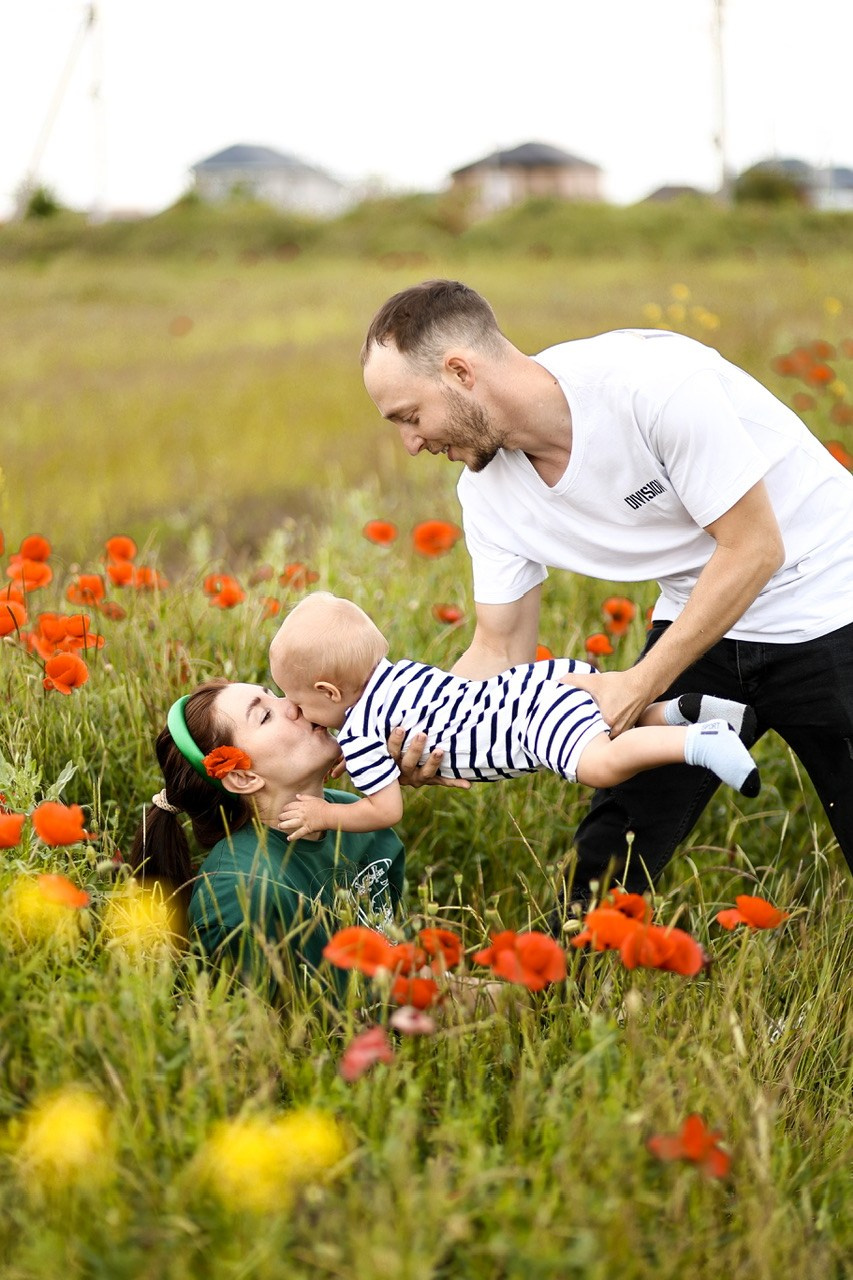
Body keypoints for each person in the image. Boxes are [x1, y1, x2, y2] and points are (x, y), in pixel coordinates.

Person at [359, 279, 853, 901]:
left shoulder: (652, 384)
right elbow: (500, 648)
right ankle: (562, 986)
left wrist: (636, 685)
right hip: (703, 612)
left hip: (832, 598)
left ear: (460, 372)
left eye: (410, 416)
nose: (411, 443)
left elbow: (754, 548)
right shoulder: (487, 493)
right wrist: (428, 733)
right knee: (613, 844)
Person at [269, 593, 759, 842]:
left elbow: (385, 810)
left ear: (330, 691)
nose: (297, 713)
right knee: (607, 725)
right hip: (534, 687)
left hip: (525, 723)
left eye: (299, 703)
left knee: (600, 763)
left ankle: (699, 741)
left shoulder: (359, 734)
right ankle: (674, 712)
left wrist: (326, 814)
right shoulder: (396, 677)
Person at [130, 677, 417, 984]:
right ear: (242, 777)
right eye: (265, 715)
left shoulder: (359, 821)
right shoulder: (241, 890)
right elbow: (264, 1024)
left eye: (276, 695)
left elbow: (404, 972)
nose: (293, 703)